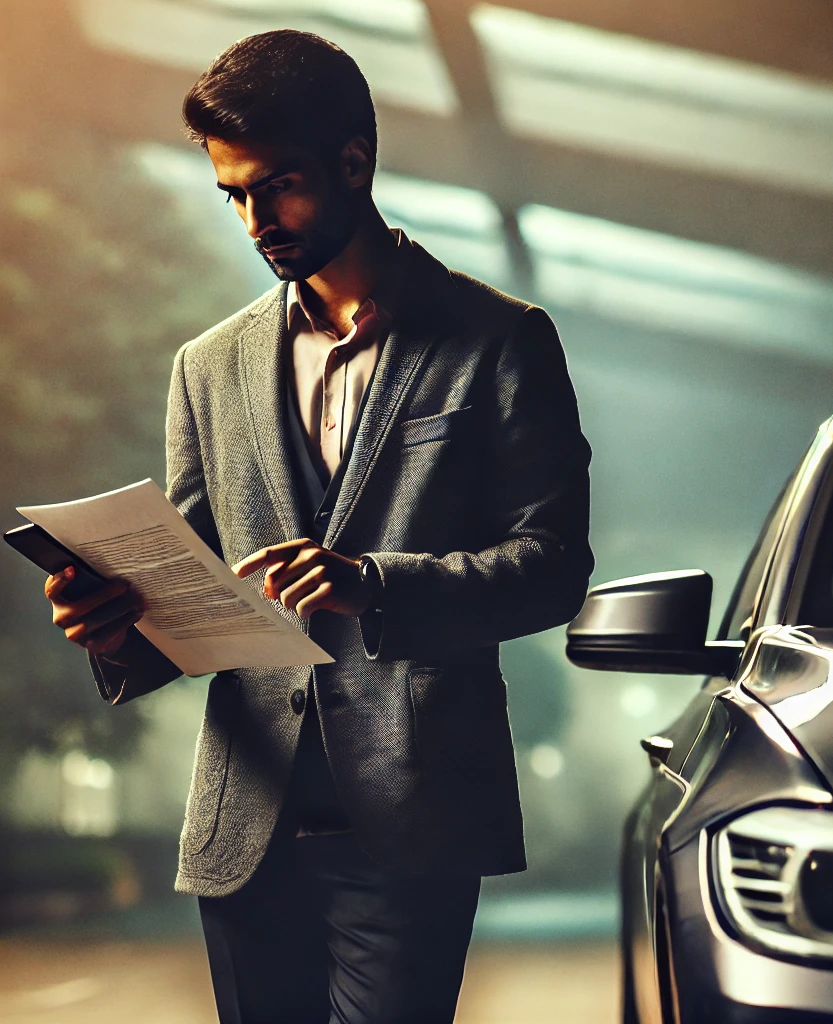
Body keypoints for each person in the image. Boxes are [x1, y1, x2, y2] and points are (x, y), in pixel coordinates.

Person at [43, 28, 593, 1024]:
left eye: (277, 185)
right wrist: (119, 625)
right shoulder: (206, 366)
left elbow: (551, 567)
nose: (256, 219)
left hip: (411, 818)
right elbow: (200, 590)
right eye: (234, 194)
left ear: (354, 161)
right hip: (243, 824)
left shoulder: (499, 340)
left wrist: (375, 583)